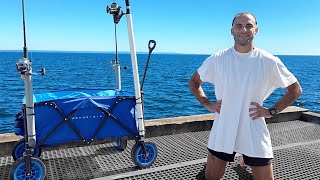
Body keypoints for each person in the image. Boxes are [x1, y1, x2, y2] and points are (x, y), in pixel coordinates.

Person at [188, 12, 302, 180]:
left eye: (249, 25)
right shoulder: (218, 59)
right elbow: (194, 82)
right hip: (224, 126)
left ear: (256, 30)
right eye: (239, 25)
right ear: (232, 30)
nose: (243, 29)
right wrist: (208, 104)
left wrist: (271, 111)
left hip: (253, 126)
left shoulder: (269, 60)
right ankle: (243, 159)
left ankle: (245, 157)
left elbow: (295, 90)